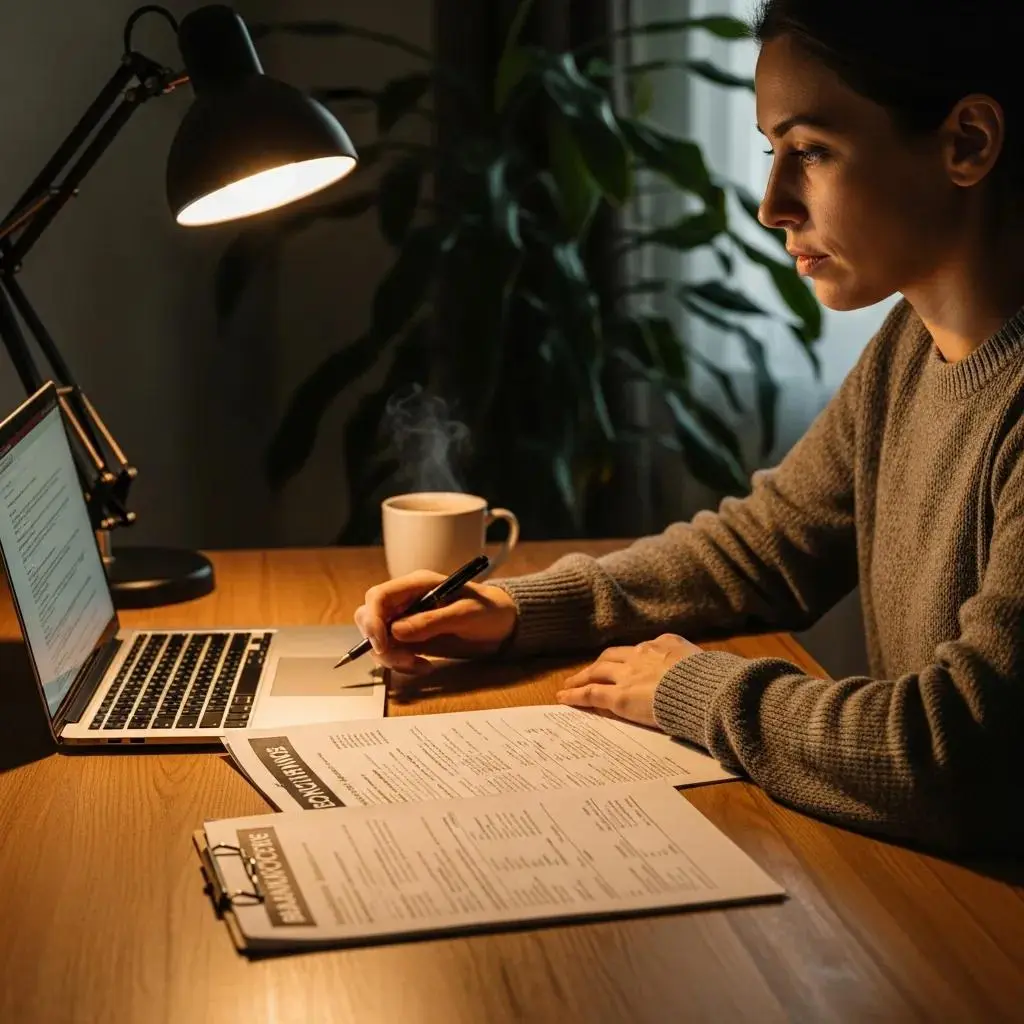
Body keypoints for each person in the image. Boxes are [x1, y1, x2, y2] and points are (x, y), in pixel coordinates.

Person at [354, 0, 1024, 856]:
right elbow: (762, 547)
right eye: (773, 152)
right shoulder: (908, 347)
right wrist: (515, 609)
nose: (773, 205)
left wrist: (689, 688)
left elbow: (955, 754)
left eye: (812, 151)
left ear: (967, 142)